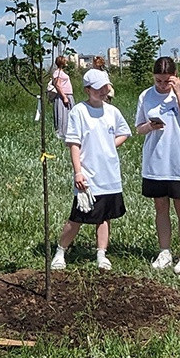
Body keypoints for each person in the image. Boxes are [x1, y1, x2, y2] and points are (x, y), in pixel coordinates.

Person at [52, 68, 131, 271]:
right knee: (78, 216)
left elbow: (125, 132)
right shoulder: (79, 111)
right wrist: (78, 171)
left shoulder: (112, 112)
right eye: (98, 88)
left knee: (104, 217)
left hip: (109, 174)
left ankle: (101, 253)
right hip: (88, 174)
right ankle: (61, 251)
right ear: (87, 90)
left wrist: (109, 146)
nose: (103, 91)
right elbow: (74, 143)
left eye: (106, 87)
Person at [134, 56, 180, 274]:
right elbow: (138, 129)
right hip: (155, 161)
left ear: (175, 77)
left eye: (166, 81)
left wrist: (178, 93)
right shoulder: (146, 95)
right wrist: (150, 126)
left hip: (179, 161)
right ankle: (164, 251)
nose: (162, 86)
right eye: (158, 81)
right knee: (160, 207)